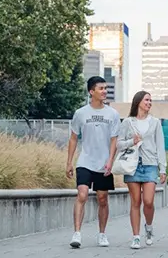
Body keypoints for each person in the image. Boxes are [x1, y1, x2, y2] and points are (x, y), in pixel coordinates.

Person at [66, 76, 120, 249]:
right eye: (101, 88)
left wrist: (110, 161)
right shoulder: (81, 113)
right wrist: (69, 162)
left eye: (105, 88)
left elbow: (114, 140)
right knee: (82, 194)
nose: (104, 91)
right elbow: (74, 138)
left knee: (102, 199)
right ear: (91, 92)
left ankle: (102, 234)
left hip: (104, 162)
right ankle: (77, 233)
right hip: (85, 161)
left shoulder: (113, 114)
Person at [118, 91, 167, 249]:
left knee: (148, 201)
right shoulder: (127, 122)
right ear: (138, 101)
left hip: (150, 165)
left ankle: (149, 226)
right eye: (147, 99)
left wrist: (163, 169)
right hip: (132, 165)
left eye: (151, 100)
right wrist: (132, 141)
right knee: (135, 202)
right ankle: (136, 237)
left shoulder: (155, 122)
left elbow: (160, 146)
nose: (149, 102)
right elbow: (119, 144)